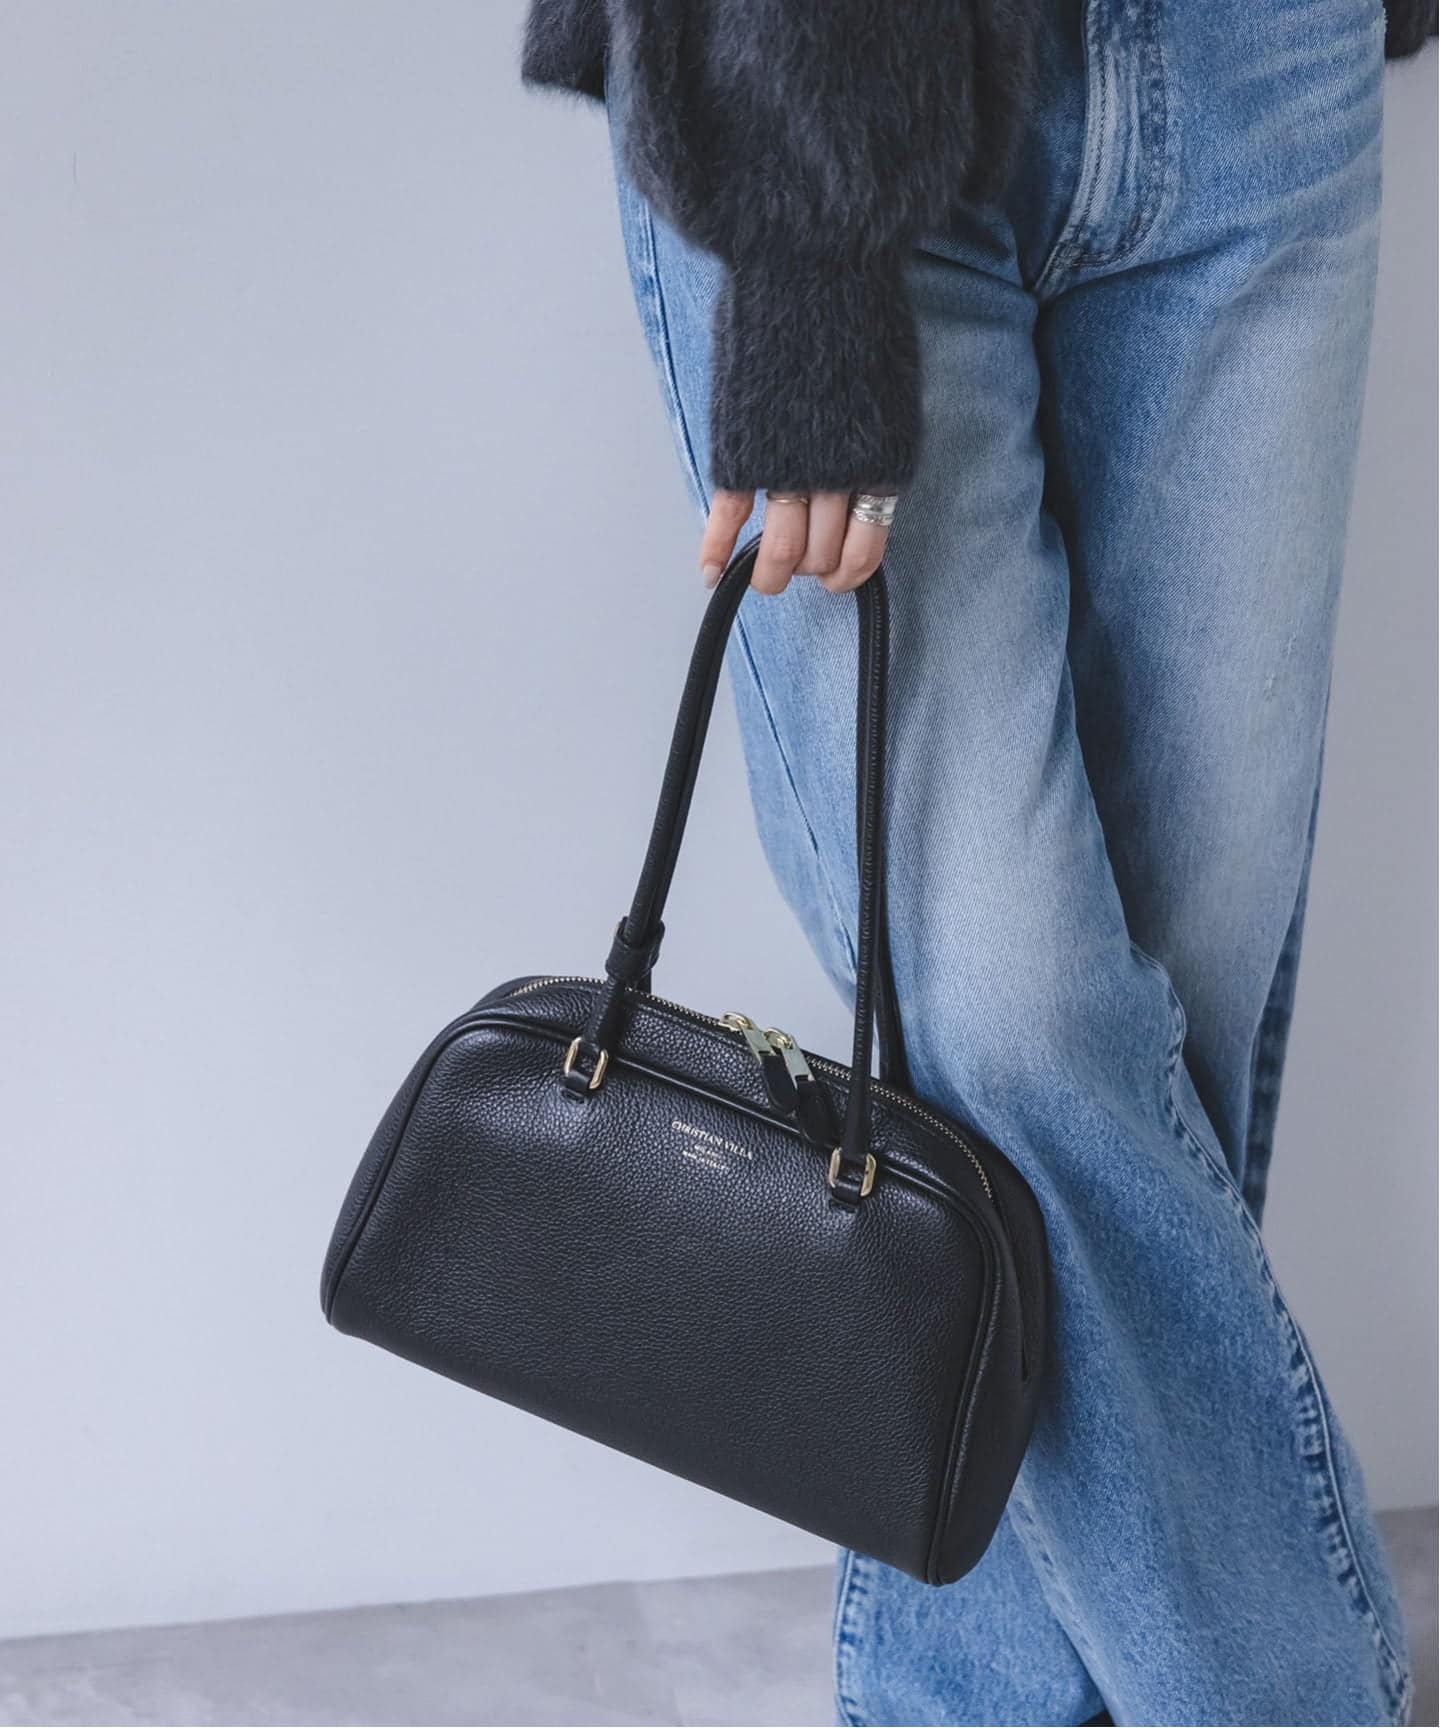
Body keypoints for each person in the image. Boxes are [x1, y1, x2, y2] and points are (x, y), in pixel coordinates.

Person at [522, 3, 1433, 1723]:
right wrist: (805, 231)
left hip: (1268, 72)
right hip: (843, 80)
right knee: (1019, 1012)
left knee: (1175, 1031)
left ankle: (973, 1703)